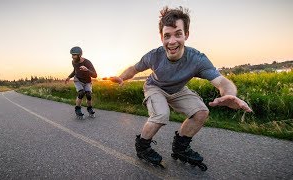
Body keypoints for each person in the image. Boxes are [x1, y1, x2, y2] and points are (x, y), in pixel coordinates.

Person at [108, 6, 252, 167]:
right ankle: (142, 146)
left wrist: (229, 94)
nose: (172, 41)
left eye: (178, 34)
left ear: (186, 35)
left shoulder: (197, 59)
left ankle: (180, 147)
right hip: (155, 87)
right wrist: (121, 78)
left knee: (201, 112)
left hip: (178, 89)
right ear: (161, 37)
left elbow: (222, 82)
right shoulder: (154, 56)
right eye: (167, 36)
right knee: (161, 115)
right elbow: (134, 69)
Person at [65, 46, 97, 118]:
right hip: (78, 80)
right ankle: (77, 109)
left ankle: (90, 108)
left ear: (79, 55)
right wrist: (69, 77)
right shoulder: (74, 62)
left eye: (74, 55)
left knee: (88, 94)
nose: (72, 57)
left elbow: (95, 75)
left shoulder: (87, 62)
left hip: (87, 81)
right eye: (72, 55)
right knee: (81, 93)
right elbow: (75, 71)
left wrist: (87, 70)